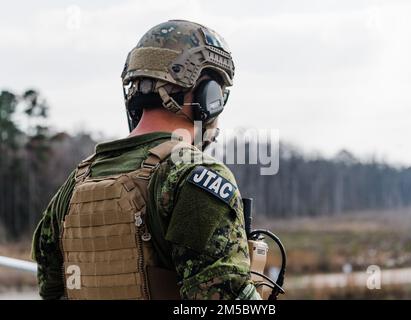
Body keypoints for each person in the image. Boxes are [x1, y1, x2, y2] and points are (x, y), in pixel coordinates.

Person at [31, 19, 261, 300]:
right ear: (208, 95)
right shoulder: (196, 175)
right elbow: (223, 299)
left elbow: (51, 289)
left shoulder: (77, 181)